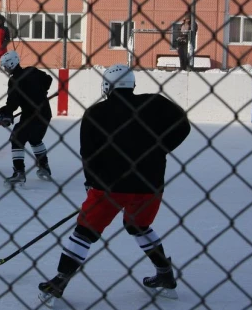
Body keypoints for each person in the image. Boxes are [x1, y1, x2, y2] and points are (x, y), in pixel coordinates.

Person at [38, 64, 191, 305]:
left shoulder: (96, 113)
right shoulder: (155, 103)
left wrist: (91, 182)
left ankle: (59, 280)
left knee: (85, 232)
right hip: (150, 184)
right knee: (138, 226)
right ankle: (165, 274)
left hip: (110, 186)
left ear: (108, 86)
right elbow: (184, 125)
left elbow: (88, 153)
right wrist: (160, 148)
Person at [0, 50, 53, 186]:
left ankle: (19, 172)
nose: (5, 69)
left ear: (11, 64)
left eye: (5, 66)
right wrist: (42, 92)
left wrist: (6, 114)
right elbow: (48, 79)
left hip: (31, 115)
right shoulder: (32, 71)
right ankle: (44, 167)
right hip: (45, 113)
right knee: (35, 139)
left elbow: (13, 103)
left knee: (17, 138)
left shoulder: (15, 80)